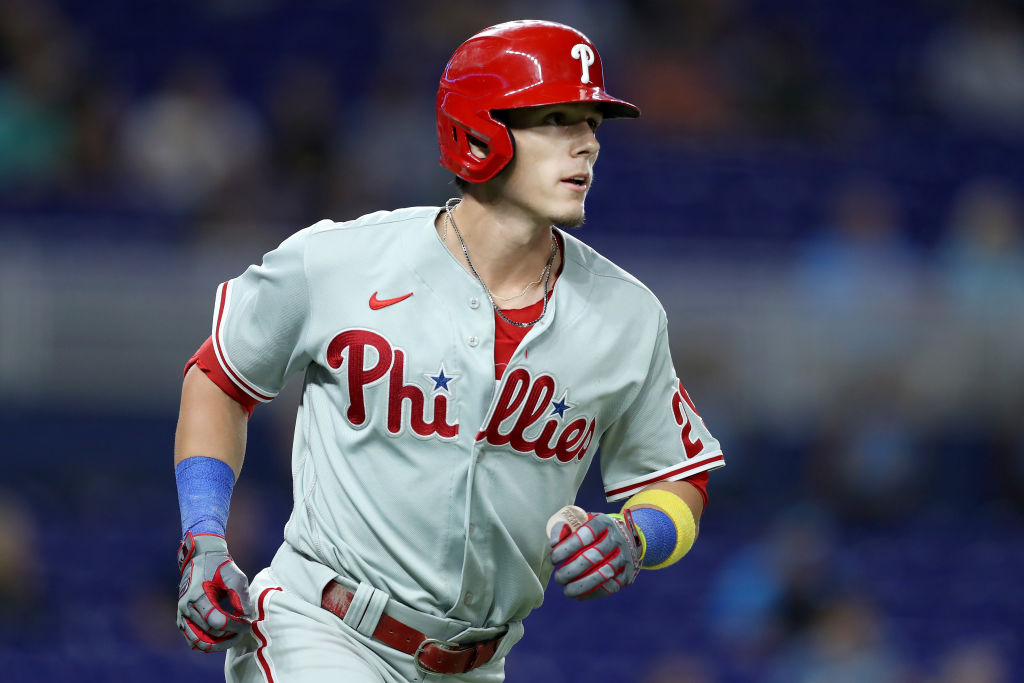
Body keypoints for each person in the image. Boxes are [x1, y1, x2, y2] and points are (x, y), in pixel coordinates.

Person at [173, 20, 725, 682]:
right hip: (322, 630)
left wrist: (637, 537)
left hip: (478, 663)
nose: (586, 145)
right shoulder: (342, 261)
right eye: (555, 119)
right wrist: (204, 535)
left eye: (592, 124)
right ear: (479, 129)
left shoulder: (626, 315)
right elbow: (219, 377)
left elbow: (678, 478)